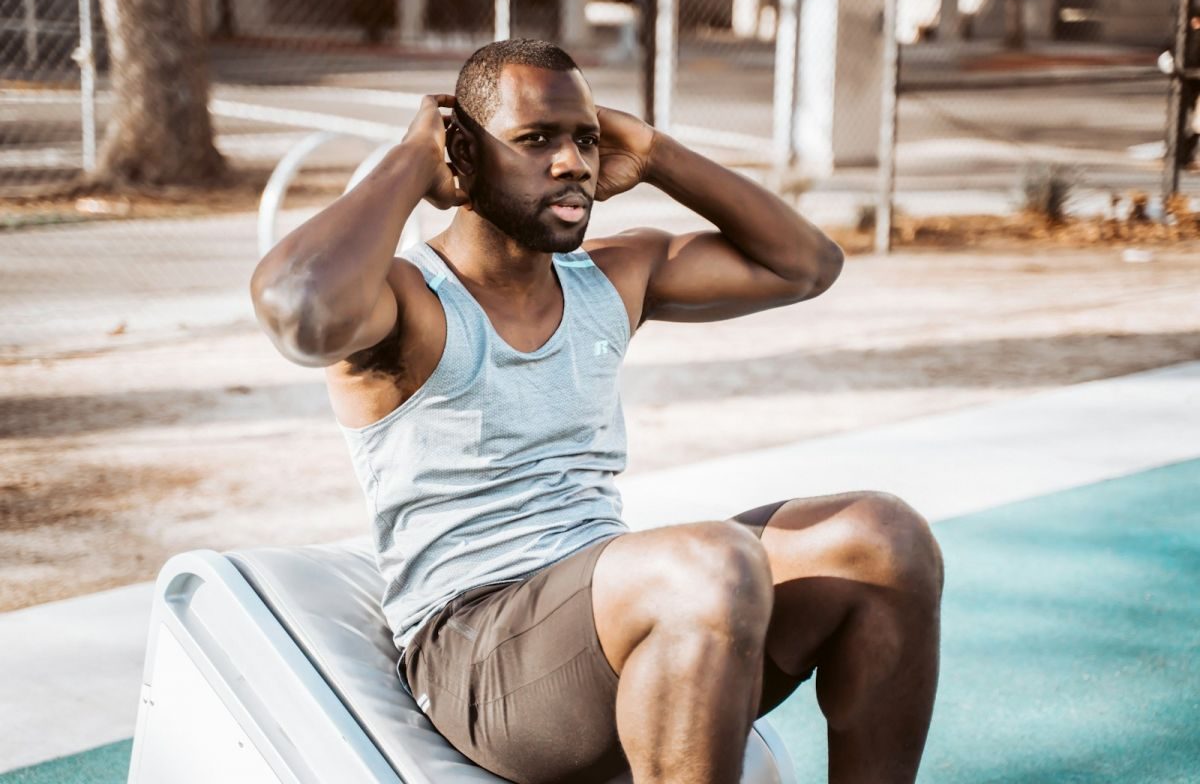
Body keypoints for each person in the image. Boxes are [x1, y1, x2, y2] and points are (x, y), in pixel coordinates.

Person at [250, 39, 943, 784]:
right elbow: (302, 310)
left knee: (882, 539)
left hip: (607, 620)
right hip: (476, 659)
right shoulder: (406, 303)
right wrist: (409, 163)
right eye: (535, 140)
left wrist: (654, 150)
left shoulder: (612, 276)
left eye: (585, 138)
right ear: (463, 153)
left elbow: (806, 265)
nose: (573, 162)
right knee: (711, 563)